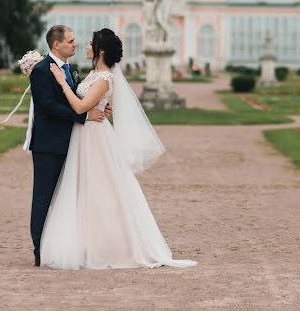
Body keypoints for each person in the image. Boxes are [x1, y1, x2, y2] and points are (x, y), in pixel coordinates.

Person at [40, 28, 196, 270]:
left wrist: (62, 83)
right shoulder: (94, 74)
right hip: (85, 134)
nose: (85, 46)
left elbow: (81, 107)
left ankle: (107, 246)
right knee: (86, 189)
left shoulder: (105, 78)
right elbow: (88, 102)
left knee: (101, 190)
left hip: (94, 137)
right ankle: (86, 242)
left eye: (91, 43)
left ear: (100, 50)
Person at [28, 25, 107, 267]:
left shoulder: (71, 70)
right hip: (48, 145)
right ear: (56, 45)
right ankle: (40, 249)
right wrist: (84, 117)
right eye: (71, 41)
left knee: (66, 198)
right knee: (43, 198)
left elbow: (80, 98)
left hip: (72, 143)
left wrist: (99, 107)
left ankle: (63, 246)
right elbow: (48, 107)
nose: (75, 44)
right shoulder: (41, 71)